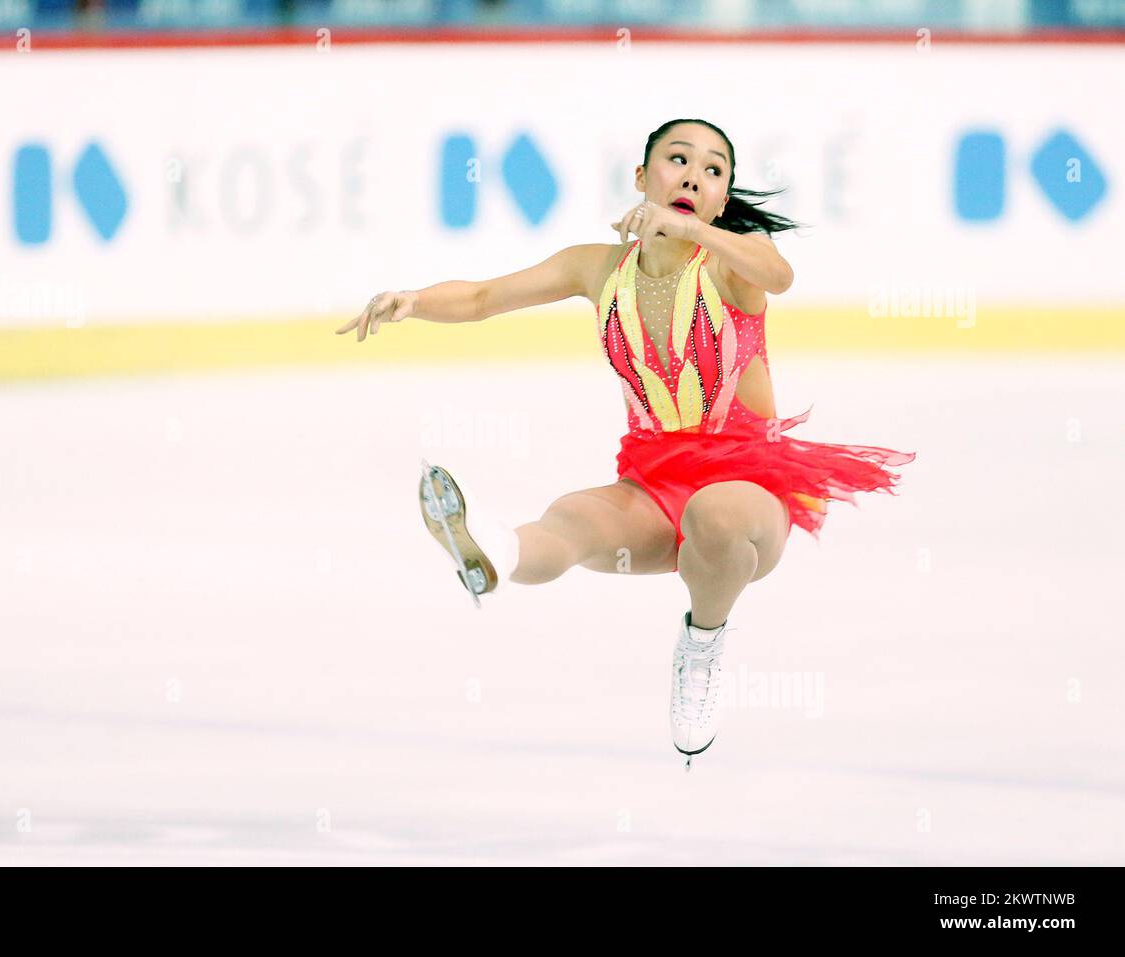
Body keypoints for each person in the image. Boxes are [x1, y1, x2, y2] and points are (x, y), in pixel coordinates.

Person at [336, 119, 916, 764]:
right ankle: (491, 551)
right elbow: (479, 298)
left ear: (722, 200)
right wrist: (410, 300)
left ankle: (702, 646)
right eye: (677, 159)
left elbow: (779, 275)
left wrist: (694, 231)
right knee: (571, 519)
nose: (695, 175)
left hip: (750, 488)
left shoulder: (732, 264)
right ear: (642, 178)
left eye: (714, 169)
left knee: (714, 513)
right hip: (649, 486)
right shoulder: (597, 268)